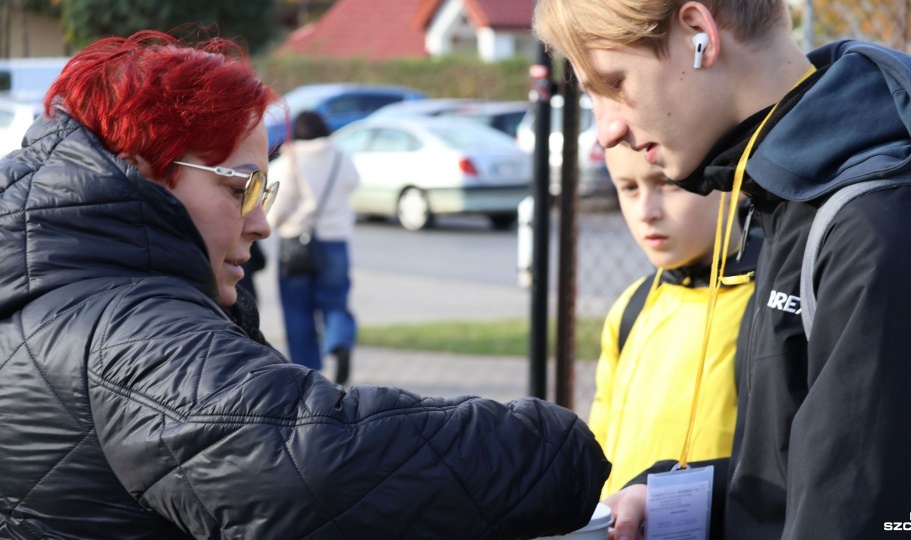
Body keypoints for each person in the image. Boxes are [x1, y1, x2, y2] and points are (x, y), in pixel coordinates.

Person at [0, 30, 609, 538]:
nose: (260, 222)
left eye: (263, 191)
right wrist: (559, 450)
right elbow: (310, 460)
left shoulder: (58, 293)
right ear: (141, 168)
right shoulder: (127, 323)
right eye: (239, 188)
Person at [533, 1, 911, 539]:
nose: (606, 131)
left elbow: (890, 518)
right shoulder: (796, 192)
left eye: (615, 84)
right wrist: (683, 502)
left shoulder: (880, 226)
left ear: (699, 34)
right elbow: (816, 470)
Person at [590, 143, 757, 503]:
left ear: (733, 185)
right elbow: (599, 443)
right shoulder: (632, 305)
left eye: (667, 183)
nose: (646, 212)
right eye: (629, 188)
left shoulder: (767, 310)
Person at [269, 111, 358, 385]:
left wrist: (272, 224)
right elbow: (354, 182)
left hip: (296, 241)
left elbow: (279, 201)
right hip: (335, 240)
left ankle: (307, 372)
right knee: (336, 301)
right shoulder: (340, 155)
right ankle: (340, 343)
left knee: (297, 309)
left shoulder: (290, 159)